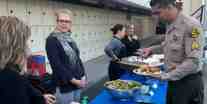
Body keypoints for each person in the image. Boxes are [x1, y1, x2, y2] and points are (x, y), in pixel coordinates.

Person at [141, 0, 204, 104]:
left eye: (158, 13)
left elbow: (193, 61)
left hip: (188, 84)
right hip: (174, 81)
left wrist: (165, 76)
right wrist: (151, 50)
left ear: (169, 7)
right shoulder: (170, 24)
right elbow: (167, 45)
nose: (155, 17)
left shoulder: (192, 26)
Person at [0, 16, 56, 104]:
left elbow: (27, 88)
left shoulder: (11, 70)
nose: (28, 50)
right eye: (25, 42)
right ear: (14, 46)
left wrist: (41, 97)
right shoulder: (11, 79)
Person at [46, 9, 87, 104]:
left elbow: (78, 59)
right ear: (57, 22)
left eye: (67, 21)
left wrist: (83, 75)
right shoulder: (52, 40)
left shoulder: (70, 39)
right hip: (64, 84)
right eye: (61, 21)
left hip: (78, 82)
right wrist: (74, 80)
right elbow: (57, 65)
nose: (64, 24)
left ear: (70, 23)